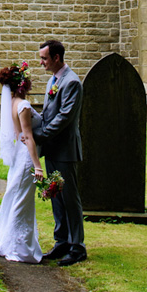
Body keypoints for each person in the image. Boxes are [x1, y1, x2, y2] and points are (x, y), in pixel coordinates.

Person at [0, 61, 44, 263]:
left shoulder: (11, 104)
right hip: (25, 159)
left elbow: (19, 136)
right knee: (21, 201)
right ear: (22, 84)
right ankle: (17, 248)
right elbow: (28, 137)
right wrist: (37, 165)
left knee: (16, 198)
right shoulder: (23, 105)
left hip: (19, 155)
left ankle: (11, 243)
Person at [29, 39, 87, 266]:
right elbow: (48, 114)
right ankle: (61, 241)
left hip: (65, 150)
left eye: (44, 58)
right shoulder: (53, 80)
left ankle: (77, 247)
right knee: (56, 196)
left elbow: (64, 117)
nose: (41, 62)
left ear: (56, 58)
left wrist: (40, 135)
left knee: (70, 199)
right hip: (53, 149)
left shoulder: (71, 82)